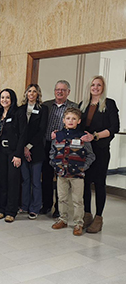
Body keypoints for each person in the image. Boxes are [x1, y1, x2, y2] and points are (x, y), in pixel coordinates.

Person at [79, 75, 120, 233]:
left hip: (101, 150)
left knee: (100, 184)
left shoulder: (109, 104)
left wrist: (94, 136)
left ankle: (98, 218)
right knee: (85, 183)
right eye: (93, 85)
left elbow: (114, 128)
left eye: (99, 85)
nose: (95, 88)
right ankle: (87, 215)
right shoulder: (83, 105)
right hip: (85, 152)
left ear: (103, 88)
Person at [50, 108, 95, 236]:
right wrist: (55, 165)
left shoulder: (83, 137)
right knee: (61, 198)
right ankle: (62, 219)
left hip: (77, 175)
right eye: (68, 118)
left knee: (77, 200)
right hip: (61, 174)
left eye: (74, 119)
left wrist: (83, 168)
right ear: (63, 120)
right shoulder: (57, 135)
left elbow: (91, 155)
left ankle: (78, 223)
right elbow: (52, 153)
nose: (71, 121)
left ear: (79, 121)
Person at [41, 80, 78, 217]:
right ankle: (46, 205)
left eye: (63, 90)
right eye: (57, 89)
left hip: (64, 148)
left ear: (68, 92)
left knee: (61, 179)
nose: (59, 92)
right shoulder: (46, 105)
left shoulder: (74, 107)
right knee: (46, 177)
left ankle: (59, 208)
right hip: (46, 145)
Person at [0, 88, 26, 223]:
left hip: (13, 152)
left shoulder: (19, 113)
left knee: (13, 181)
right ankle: (1, 209)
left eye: (7, 97)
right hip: (0, 152)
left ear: (12, 99)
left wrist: (18, 154)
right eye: (2, 98)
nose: (4, 100)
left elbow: (23, 134)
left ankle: (11, 211)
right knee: (1, 180)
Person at [19, 84, 48, 220]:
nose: (31, 93)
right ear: (26, 93)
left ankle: (35, 208)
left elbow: (41, 130)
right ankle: (24, 206)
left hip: (36, 149)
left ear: (38, 94)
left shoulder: (43, 109)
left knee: (36, 181)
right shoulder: (20, 109)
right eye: (29, 91)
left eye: (34, 91)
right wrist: (23, 147)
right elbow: (19, 130)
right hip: (21, 148)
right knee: (25, 180)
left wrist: (29, 147)